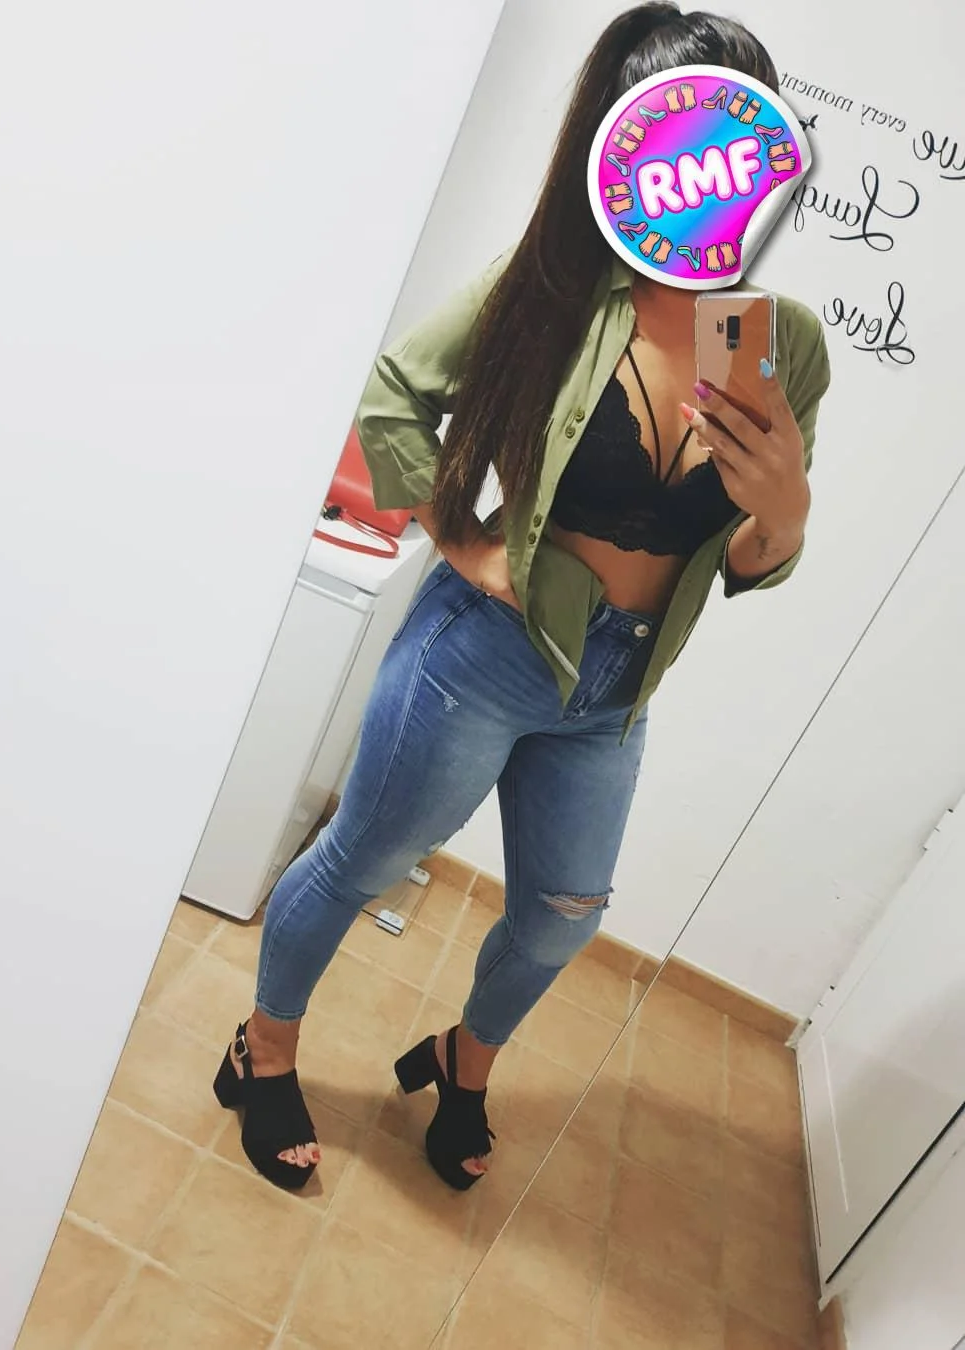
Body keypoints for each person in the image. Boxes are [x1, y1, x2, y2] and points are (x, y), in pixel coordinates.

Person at [212, 1, 831, 1193]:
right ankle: (266, 1050)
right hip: (483, 654)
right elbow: (393, 396)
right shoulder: (557, 291)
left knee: (562, 915)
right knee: (363, 857)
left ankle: (463, 1060)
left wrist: (789, 512)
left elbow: (755, 557)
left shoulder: (768, 337)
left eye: (734, 136)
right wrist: (461, 543)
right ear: (623, 144)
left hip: (617, 688)